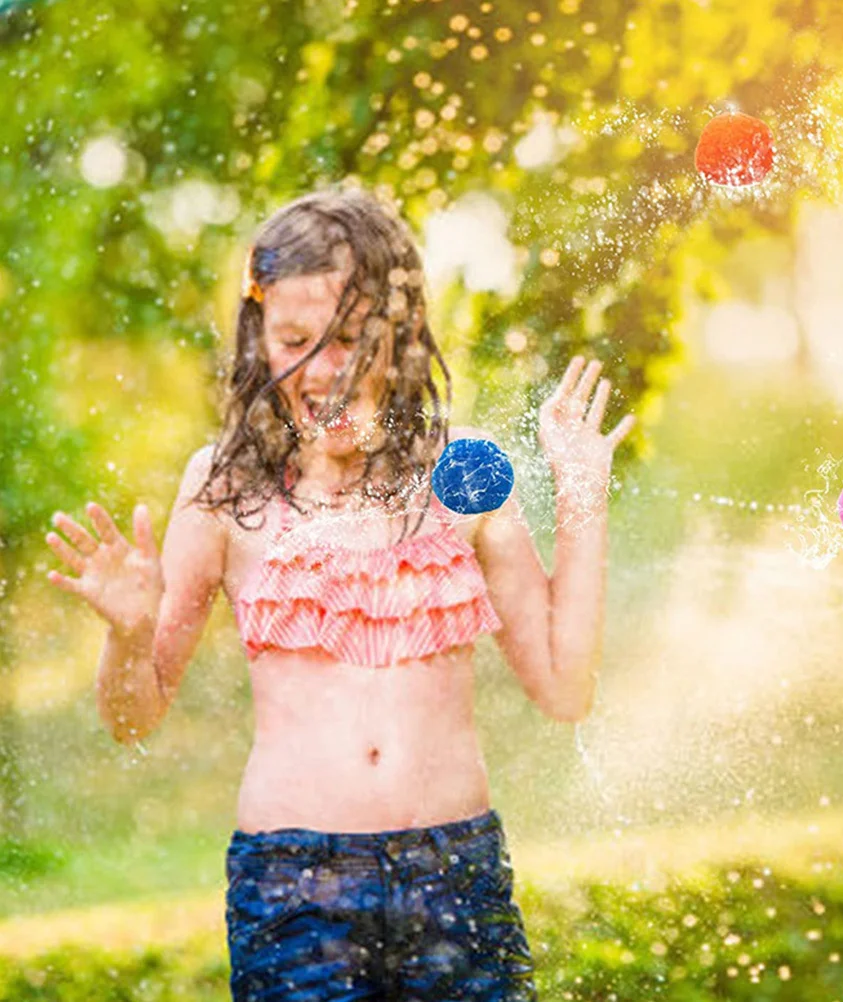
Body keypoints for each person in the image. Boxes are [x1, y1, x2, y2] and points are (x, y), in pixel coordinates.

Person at [44, 185, 635, 1001]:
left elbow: (566, 689)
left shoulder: (464, 472)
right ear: (260, 340)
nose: (326, 369)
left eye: (354, 339)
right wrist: (129, 634)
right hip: (294, 885)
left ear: (403, 338)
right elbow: (132, 716)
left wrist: (581, 497)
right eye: (296, 339)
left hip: (454, 876)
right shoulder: (224, 488)